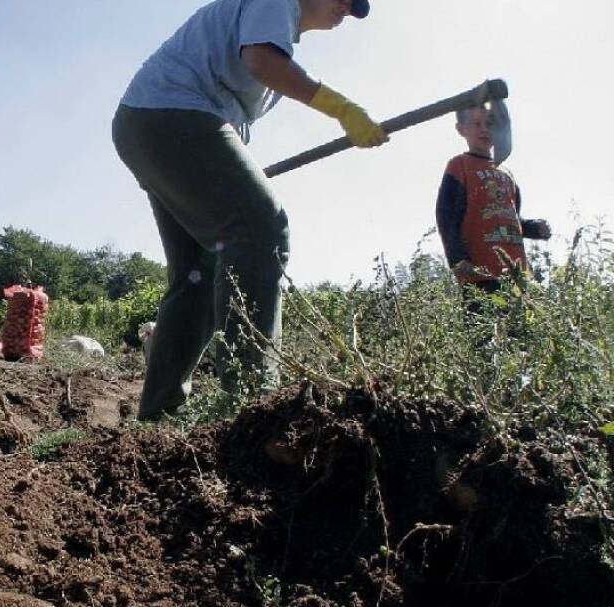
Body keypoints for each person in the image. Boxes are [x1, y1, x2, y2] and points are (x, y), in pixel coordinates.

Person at [112, 0, 387, 420]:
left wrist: (234, 169)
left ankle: (158, 418)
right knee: (260, 231)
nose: (349, 10)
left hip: (149, 124)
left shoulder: (277, 31)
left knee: (198, 273)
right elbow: (261, 61)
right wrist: (343, 109)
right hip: (174, 115)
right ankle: (255, 409)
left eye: (356, 7)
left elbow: (236, 108)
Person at [435, 104, 551, 306]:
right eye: (476, 124)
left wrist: (535, 228)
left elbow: (511, 219)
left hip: (516, 275)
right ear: (461, 129)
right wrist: (457, 259)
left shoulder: (507, 174)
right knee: (485, 333)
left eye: (489, 124)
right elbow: (446, 215)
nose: (484, 129)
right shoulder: (459, 165)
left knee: (520, 334)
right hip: (480, 275)